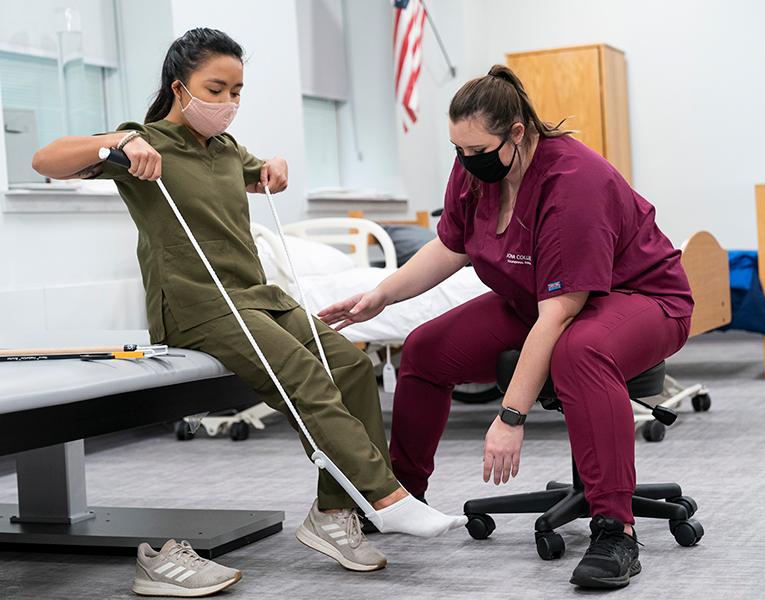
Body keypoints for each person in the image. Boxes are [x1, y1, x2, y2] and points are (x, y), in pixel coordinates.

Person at [31, 28, 466, 583]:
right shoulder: (145, 143)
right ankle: (383, 495)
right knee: (305, 377)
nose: (228, 103)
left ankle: (332, 514)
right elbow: (46, 158)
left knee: (354, 366)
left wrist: (274, 167)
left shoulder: (226, 149)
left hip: (256, 296)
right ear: (179, 87)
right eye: (216, 88)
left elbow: (261, 173)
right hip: (195, 304)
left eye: (237, 90)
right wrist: (113, 144)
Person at [319, 64, 694, 589]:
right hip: (535, 300)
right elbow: (451, 246)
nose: (466, 163)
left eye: (477, 152)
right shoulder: (476, 168)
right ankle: (401, 495)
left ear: (517, 134)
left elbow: (561, 313)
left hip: (641, 299)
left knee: (578, 353)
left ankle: (616, 530)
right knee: (425, 350)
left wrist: (510, 417)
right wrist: (380, 295)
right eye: (458, 151)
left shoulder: (573, 182)